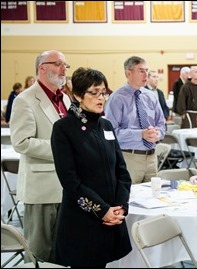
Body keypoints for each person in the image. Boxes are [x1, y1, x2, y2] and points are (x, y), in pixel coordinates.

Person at [50, 67, 132, 267]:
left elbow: (122, 172)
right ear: (77, 95)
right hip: (83, 220)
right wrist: (102, 210)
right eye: (93, 93)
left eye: (103, 92)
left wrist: (120, 207)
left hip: (112, 216)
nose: (100, 98)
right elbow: (70, 181)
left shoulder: (106, 126)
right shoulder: (63, 129)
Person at [9, 50, 72, 262]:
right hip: (42, 186)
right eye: (58, 64)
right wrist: (62, 149)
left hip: (68, 185)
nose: (64, 68)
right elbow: (21, 142)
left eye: (65, 64)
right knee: (40, 249)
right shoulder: (25, 99)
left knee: (63, 247)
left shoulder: (64, 98)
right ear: (42, 67)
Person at [104, 56, 166, 184]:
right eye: (141, 71)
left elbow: (161, 123)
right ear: (128, 73)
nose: (146, 75)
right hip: (129, 158)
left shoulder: (150, 96)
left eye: (147, 70)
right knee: (130, 199)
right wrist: (140, 134)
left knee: (152, 199)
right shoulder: (117, 98)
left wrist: (157, 134)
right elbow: (111, 133)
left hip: (152, 158)